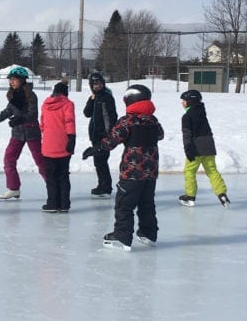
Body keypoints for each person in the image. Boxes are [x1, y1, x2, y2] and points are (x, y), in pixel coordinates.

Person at [95, 84, 164, 250]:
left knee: (124, 204)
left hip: (132, 172)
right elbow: (160, 135)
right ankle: (149, 234)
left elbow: (112, 140)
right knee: (147, 203)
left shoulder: (128, 121)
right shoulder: (153, 120)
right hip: (151, 172)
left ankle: (122, 237)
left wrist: (96, 148)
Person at [0, 66, 46, 201]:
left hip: (31, 132)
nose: (11, 82)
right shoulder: (12, 94)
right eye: (10, 80)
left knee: (40, 161)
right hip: (17, 133)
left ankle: (53, 186)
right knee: (9, 159)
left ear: (22, 80)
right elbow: (8, 111)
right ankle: (13, 189)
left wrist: (20, 119)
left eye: (14, 79)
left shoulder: (30, 95)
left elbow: (33, 114)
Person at [178, 89, 230, 207]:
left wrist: (188, 149)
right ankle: (221, 193)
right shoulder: (202, 113)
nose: (182, 103)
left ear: (190, 102)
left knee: (189, 171)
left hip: (196, 147)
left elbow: (187, 134)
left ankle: (190, 197)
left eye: (184, 101)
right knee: (212, 171)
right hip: (209, 146)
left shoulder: (187, 116)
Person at [39, 81, 76, 212]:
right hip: (64, 144)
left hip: (48, 145)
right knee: (63, 175)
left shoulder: (45, 104)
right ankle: (64, 204)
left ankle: (52, 203)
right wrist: (72, 138)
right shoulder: (68, 104)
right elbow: (69, 122)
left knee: (51, 176)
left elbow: (42, 124)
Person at [81, 70, 117, 196]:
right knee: (98, 162)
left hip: (104, 135)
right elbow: (86, 113)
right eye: (95, 84)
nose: (97, 86)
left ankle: (106, 187)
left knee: (101, 161)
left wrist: (109, 135)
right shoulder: (94, 98)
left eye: (100, 83)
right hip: (95, 135)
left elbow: (112, 116)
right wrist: (91, 99)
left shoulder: (107, 97)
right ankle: (102, 185)